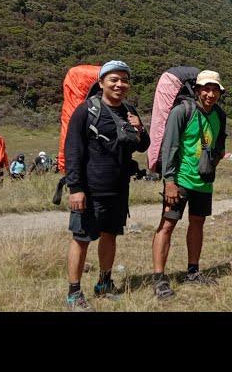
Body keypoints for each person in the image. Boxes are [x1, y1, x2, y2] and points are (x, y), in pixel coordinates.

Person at [64, 60, 150, 311]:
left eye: (124, 80)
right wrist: (75, 188)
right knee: (81, 238)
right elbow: (73, 150)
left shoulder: (129, 111)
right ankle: (74, 292)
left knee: (110, 236)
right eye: (114, 79)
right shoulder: (85, 111)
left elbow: (142, 145)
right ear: (101, 82)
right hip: (90, 189)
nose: (120, 84)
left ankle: (104, 282)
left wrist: (139, 129)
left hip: (118, 188)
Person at [152, 70, 227, 299]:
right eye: (206, 88)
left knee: (197, 224)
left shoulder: (220, 115)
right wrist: (170, 182)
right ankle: (159, 278)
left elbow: (220, 144)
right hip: (181, 181)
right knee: (167, 225)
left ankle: (193, 271)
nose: (210, 94)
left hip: (203, 182)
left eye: (215, 89)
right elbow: (170, 147)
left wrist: (212, 161)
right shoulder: (182, 111)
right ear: (197, 90)